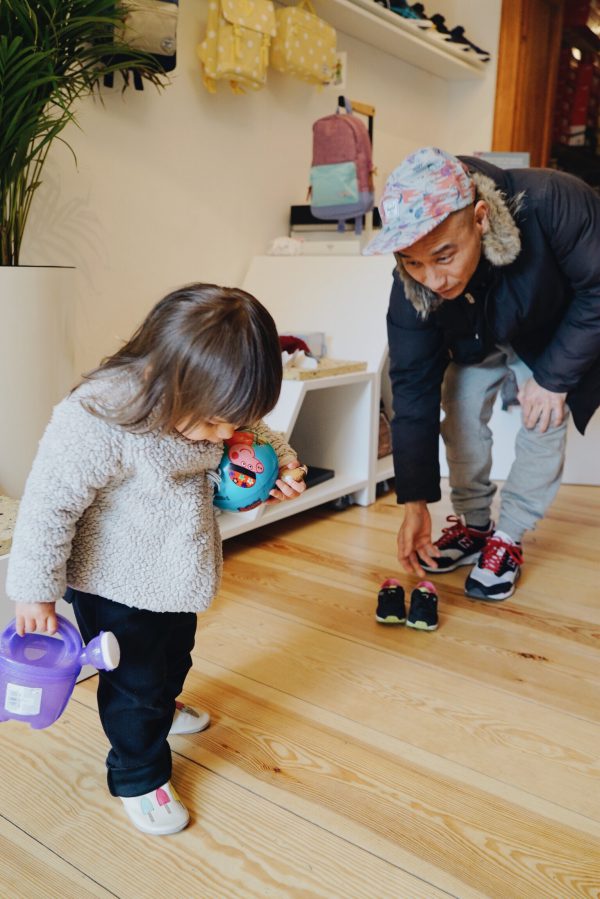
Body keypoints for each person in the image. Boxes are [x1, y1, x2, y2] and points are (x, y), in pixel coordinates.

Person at [6, 283, 306, 836]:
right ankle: (138, 774)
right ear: (171, 381)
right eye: (214, 422)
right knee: (134, 684)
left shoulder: (213, 407)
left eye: (233, 419)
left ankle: (162, 708)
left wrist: (284, 464)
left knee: (173, 657)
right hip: (114, 582)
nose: (225, 435)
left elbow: (253, 430)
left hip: (177, 573)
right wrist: (34, 590)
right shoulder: (99, 417)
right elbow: (48, 504)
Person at [364, 147, 600, 602]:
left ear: (480, 218)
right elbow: (411, 384)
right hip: (481, 334)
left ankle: (508, 537)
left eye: (444, 257)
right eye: (412, 262)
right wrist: (415, 502)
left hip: (557, 329)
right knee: (459, 399)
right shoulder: (415, 283)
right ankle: (474, 526)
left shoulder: (555, 201)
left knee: (543, 412)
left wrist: (553, 380)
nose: (432, 280)